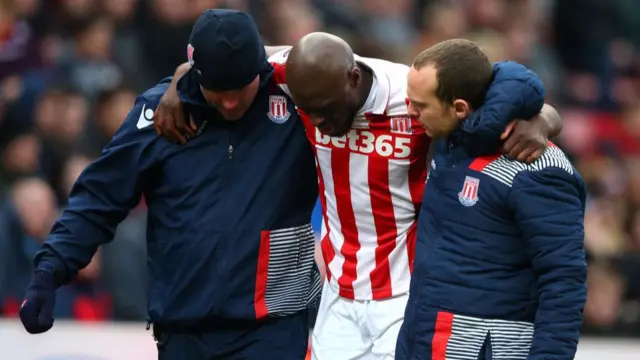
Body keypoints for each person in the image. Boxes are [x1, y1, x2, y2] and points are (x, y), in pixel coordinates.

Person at [154, 33, 563, 360]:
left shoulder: (413, 96)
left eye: (326, 109)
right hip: (337, 290)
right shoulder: (296, 73)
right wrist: (180, 77)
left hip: (404, 293)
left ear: (352, 78)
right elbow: (231, 56)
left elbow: (496, 88)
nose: (317, 122)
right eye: (307, 110)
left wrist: (543, 118)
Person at [18, 9, 320, 360]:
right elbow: (99, 198)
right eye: (218, 90)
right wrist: (49, 270)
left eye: (241, 87)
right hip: (182, 329)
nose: (231, 101)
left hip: (274, 326)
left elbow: (349, 67)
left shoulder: (299, 100)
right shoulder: (158, 114)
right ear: (197, 74)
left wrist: (187, 72)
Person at [396, 39, 587, 360]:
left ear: (459, 107)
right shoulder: (451, 141)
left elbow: (563, 281)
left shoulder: (537, 167)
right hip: (427, 332)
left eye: (421, 104)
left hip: (486, 345)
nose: (411, 112)